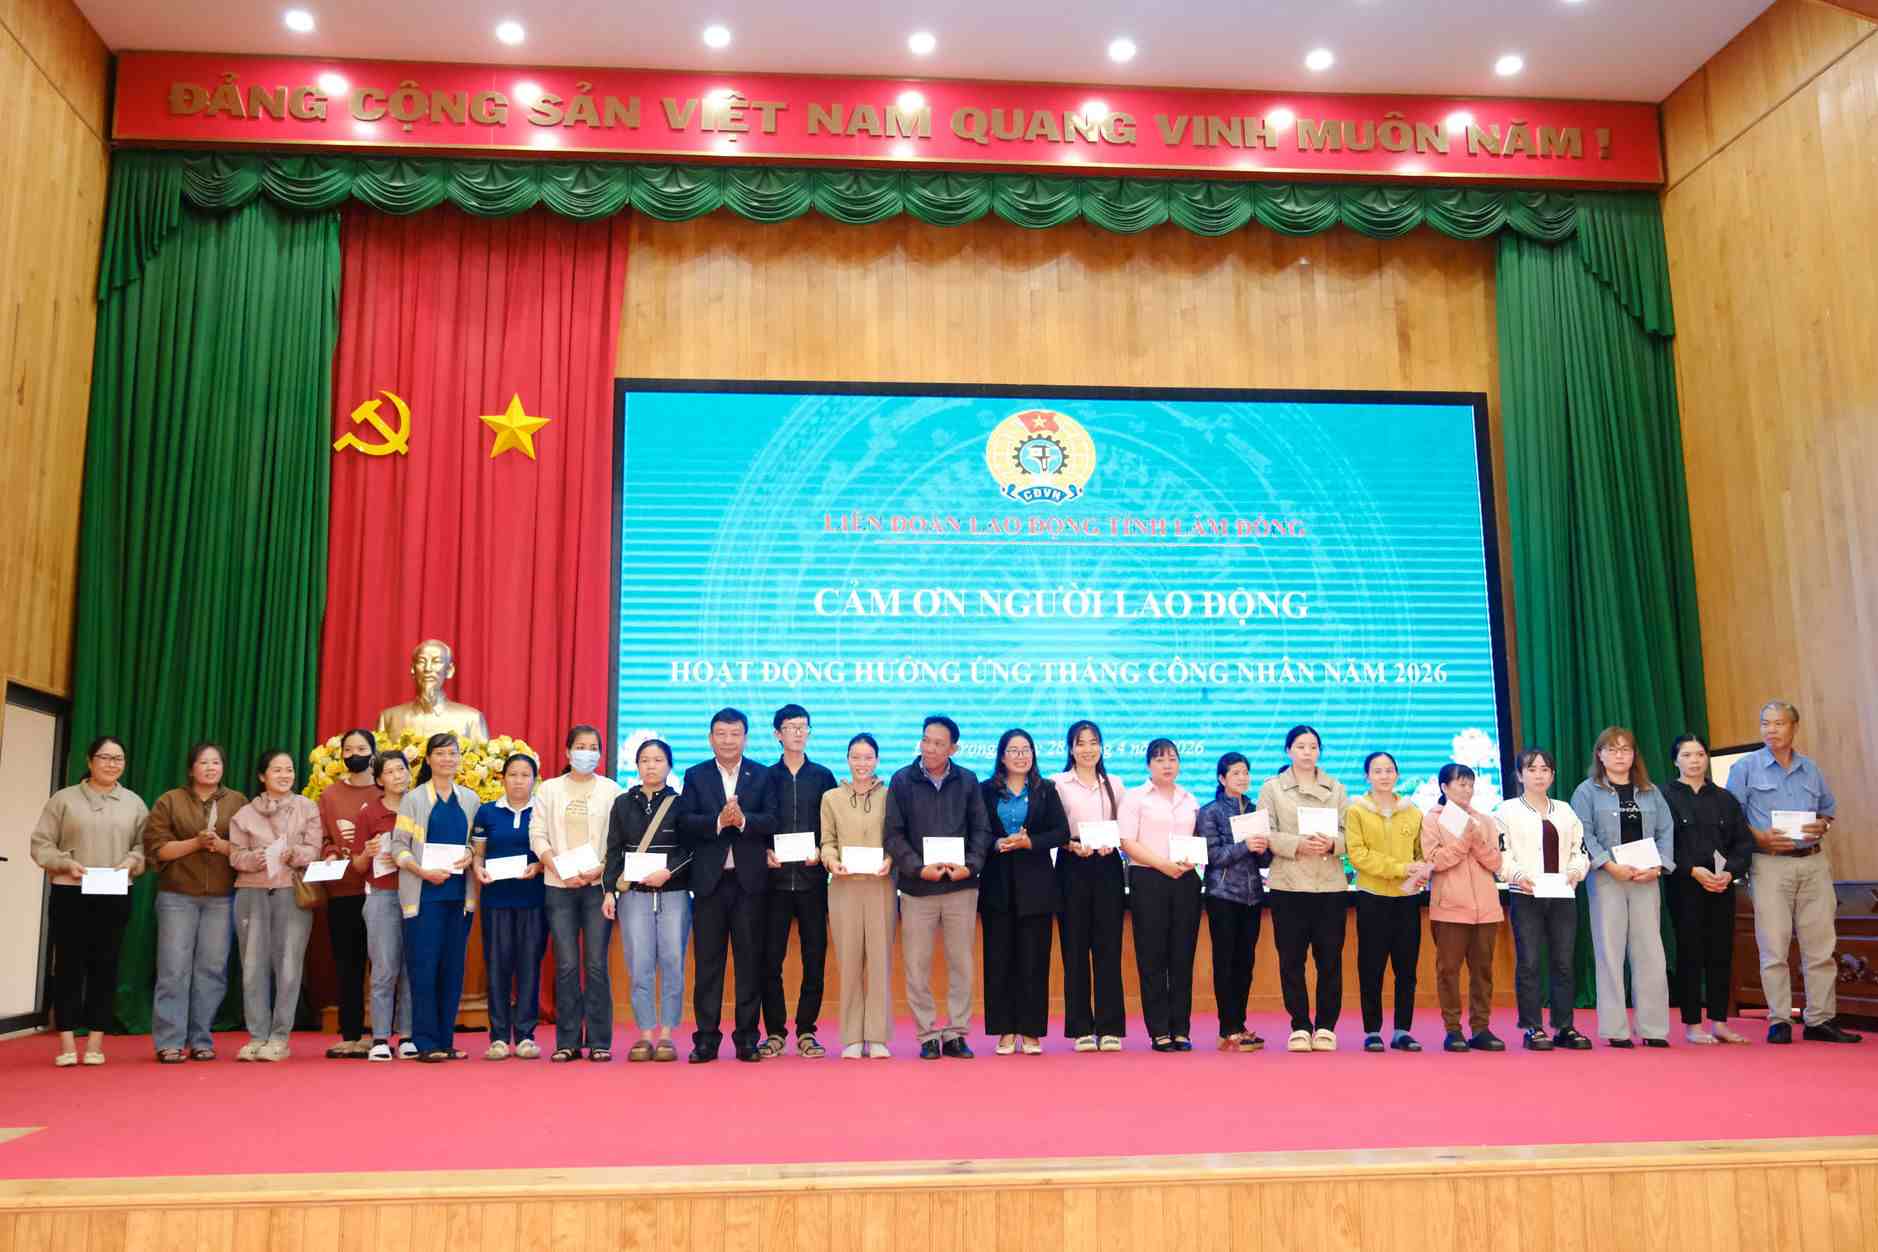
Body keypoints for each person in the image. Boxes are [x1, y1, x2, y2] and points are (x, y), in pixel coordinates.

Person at [1726, 701, 1862, 1044]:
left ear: (1793, 727)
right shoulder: (1746, 768)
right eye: (1765, 723)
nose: (1771, 730)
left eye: (1778, 723)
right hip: (1769, 863)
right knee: (1774, 945)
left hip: (1813, 863)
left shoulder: (1811, 769)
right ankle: (1779, 1020)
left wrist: (1821, 826)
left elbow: (1827, 812)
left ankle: (1820, 1019)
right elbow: (1729, 819)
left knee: (1820, 945)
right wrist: (1759, 836)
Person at [30, 735, 147, 1067]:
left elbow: (144, 847)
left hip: (114, 892)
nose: (112, 764)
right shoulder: (64, 799)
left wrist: (130, 863)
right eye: (105, 757)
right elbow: (41, 844)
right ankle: (66, 1041)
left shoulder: (134, 802)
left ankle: (96, 1042)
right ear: (89, 761)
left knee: (105, 966)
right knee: (67, 965)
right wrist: (66, 863)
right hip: (71, 890)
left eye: (118, 759)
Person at [882, 715, 993, 1060]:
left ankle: (957, 1033)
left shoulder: (968, 780)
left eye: (938, 743)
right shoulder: (902, 780)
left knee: (961, 963)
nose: (929, 748)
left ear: (953, 748)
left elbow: (982, 831)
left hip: (961, 887)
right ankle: (928, 1034)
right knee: (917, 965)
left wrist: (971, 866)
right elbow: (893, 835)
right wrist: (917, 868)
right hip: (918, 889)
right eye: (926, 740)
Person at [677, 707, 777, 1063]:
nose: (728, 740)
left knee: (749, 963)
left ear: (745, 738)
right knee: (708, 964)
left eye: (735, 734)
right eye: (721, 733)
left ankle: (747, 1038)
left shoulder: (762, 775)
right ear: (710, 738)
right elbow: (686, 822)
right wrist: (718, 821)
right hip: (709, 884)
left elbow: (773, 819)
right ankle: (706, 1039)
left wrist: (745, 820)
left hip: (749, 883)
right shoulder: (695, 775)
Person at [1570, 726, 1675, 1048]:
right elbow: (1582, 834)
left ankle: (1654, 1028)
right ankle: (1616, 1029)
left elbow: (1666, 830)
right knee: (1609, 952)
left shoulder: (1650, 791)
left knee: (1651, 953)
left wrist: (1659, 865)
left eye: (1626, 749)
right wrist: (1608, 864)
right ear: (1599, 755)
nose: (1619, 755)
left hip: (1645, 878)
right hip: (1607, 879)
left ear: (1634, 755)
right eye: (1612, 749)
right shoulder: (1587, 791)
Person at [530, 725, 625, 1062]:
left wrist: (600, 869)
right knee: (567, 965)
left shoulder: (612, 790)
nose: (587, 752)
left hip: (597, 887)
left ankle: (600, 1040)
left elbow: (618, 841)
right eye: (580, 746)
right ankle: (567, 1040)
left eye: (593, 747)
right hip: (559, 887)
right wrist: (555, 866)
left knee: (597, 965)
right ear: (568, 752)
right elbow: (538, 834)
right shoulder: (549, 790)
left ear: (600, 754)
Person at [145, 742, 240, 1063]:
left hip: (222, 899)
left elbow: (246, 850)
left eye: (216, 762)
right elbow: (158, 850)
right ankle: (169, 1040)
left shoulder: (238, 802)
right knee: (173, 969)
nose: (211, 767)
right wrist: (195, 843)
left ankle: (201, 1038)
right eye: (203, 762)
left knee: (212, 970)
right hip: (177, 896)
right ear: (191, 769)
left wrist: (222, 845)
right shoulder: (169, 801)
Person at [391, 733, 483, 1063]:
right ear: (428, 760)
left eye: (453, 753)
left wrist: (471, 853)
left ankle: (445, 1040)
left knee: (452, 970)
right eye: (440, 753)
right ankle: (425, 1041)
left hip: (459, 899)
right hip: (423, 897)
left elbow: (478, 844)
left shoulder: (470, 799)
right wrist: (422, 871)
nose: (447, 759)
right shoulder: (413, 800)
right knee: (424, 968)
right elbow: (398, 847)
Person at [227, 749, 322, 1062]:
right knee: (252, 967)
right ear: (262, 776)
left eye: (289, 769)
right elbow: (234, 856)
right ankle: (257, 1035)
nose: (285, 775)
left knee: (289, 967)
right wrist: (253, 859)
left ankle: (280, 1037)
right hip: (251, 893)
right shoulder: (244, 813)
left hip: (290, 892)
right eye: (277, 770)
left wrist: (295, 854)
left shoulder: (307, 807)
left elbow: (314, 848)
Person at [1495, 748, 1592, 1051]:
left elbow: (1581, 850)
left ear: (1553, 774)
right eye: (1532, 769)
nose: (1539, 774)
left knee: (1564, 961)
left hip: (1562, 894)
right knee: (1530, 961)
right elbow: (1501, 853)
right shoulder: (1505, 810)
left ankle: (1565, 1026)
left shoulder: (1565, 810)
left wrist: (1576, 871)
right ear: (1520, 775)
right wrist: (1518, 874)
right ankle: (1532, 1027)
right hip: (1526, 894)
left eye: (1545, 769)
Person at [979, 729, 1069, 1055]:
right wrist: (995, 842)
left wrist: (1032, 842)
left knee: (1034, 959)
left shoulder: (1046, 790)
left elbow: (1061, 831)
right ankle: (1004, 1030)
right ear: (1002, 756)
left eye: (1026, 749)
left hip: (1036, 885)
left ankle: (1031, 1031)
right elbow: (977, 830)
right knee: (999, 959)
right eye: (1014, 750)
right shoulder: (985, 790)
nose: (1021, 755)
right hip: (997, 883)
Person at [1260, 725, 1349, 1053]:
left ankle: (1326, 1026)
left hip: (1330, 886)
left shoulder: (1337, 788)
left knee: (1330, 960)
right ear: (1288, 751)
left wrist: (1332, 844)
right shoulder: (1272, 788)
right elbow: (1265, 831)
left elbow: (1350, 834)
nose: (1307, 752)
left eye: (1313, 747)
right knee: (1291, 960)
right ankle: (1299, 1024)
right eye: (1300, 747)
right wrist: (1298, 845)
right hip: (1288, 885)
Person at [1661, 734, 1755, 1045]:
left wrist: (1730, 872)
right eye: (1686, 755)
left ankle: (1719, 1021)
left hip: (1721, 885)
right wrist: (1691, 870)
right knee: (1690, 953)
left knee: (1720, 953)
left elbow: (1743, 843)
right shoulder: (1665, 797)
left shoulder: (1725, 798)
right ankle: (1692, 1024)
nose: (1694, 760)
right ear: (1676, 760)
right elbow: (1664, 844)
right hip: (1684, 886)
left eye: (1700, 754)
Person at [604, 738, 691, 1062]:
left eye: (657, 760)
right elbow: (613, 851)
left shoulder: (682, 804)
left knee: (672, 962)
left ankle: (667, 1034)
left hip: (673, 893)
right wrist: (609, 891)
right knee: (639, 964)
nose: (651, 765)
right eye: (645, 760)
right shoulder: (623, 803)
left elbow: (690, 849)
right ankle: (644, 1034)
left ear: (669, 766)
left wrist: (668, 871)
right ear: (636, 765)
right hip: (635, 896)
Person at [760, 703, 838, 1059]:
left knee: (814, 959)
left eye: (803, 726)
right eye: (790, 726)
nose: (798, 732)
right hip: (773, 885)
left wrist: (823, 850)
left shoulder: (823, 777)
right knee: (769, 961)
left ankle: (807, 1030)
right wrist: (764, 853)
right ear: (777, 733)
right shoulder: (763, 778)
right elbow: (757, 825)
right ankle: (775, 1032)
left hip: (811, 881)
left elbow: (833, 826)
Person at [1120, 739, 1204, 1053]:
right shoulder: (1135, 798)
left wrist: (1189, 862)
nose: (1167, 765)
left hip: (1185, 881)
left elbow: (1196, 840)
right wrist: (1162, 865)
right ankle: (1159, 1030)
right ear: (1148, 765)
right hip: (1148, 878)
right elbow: (1127, 842)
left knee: (1182, 957)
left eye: (1172, 759)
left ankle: (1181, 1028)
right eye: (1159, 760)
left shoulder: (1189, 799)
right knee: (1152, 956)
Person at [1343, 751, 1426, 1053]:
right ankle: (1372, 1030)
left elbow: (1421, 852)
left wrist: (1421, 869)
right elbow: (1358, 856)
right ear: (1367, 776)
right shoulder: (1356, 811)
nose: (1384, 776)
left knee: (1407, 968)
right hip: (1372, 898)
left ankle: (1403, 1030)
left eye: (1389, 770)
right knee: (1371, 966)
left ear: (1397, 775)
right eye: (1377, 771)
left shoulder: (1413, 811)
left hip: (1406, 899)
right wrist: (1401, 868)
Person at [820, 733, 896, 1059]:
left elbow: (897, 838)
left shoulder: (891, 796)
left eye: (868, 757)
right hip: (844, 887)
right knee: (849, 960)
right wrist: (830, 860)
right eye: (856, 756)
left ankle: (877, 1035)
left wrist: (891, 859)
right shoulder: (831, 798)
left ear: (877, 760)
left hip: (880, 886)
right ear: (847, 759)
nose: (862, 763)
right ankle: (852, 1035)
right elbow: (827, 840)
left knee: (879, 961)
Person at [1054, 720, 1127, 1052]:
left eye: (1093, 742)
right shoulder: (1057, 784)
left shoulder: (1115, 783)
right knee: (1075, 949)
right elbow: (1054, 829)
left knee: (1108, 949)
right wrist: (1070, 844)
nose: (1087, 749)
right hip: (1072, 865)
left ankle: (1110, 1027)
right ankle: (1081, 1027)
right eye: (1080, 743)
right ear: (1070, 748)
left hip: (1108, 866)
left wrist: (1114, 844)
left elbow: (1124, 829)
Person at [1423, 764, 1505, 1053]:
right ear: (1444, 787)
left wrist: (1476, 841)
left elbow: (1496, 862)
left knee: (1482, 971)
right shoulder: (1432, 820)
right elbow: (1434, 860)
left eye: (1470, 785)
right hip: (1450, 907)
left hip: (1486, 907)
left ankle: (1481, 1028)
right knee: (1449, 970)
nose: (1467, 790)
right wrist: (1462, 844)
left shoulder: (1484, 820)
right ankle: (1453, 1030)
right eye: (1460, 784)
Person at [472, 753, 547, 1060]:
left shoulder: (541, 812)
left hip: (534, 900)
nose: (519, 780)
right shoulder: (487, 812)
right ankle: (499, 1036)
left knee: (529, 967)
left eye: (525, 775)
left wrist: (539, 867)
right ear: (502, 778)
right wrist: (478, 868)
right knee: (497, 968)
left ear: (534, 780)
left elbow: (549, 851)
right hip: (496, 901)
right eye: (513, 774)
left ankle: (526, 1035)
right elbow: (478, 853)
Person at [1196, 751, 1272, 1052]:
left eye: (1245, 773)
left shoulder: (1255, 810)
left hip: (1253, 896)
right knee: (1225, 962)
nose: (1242, 778)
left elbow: (1264, 858)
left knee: (1246, 963)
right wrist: (1244, 846)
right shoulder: (1210, 812)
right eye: (1236, 773)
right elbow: (1212, 857)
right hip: (1222, 895)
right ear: (1222, 778)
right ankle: (1227, 1027)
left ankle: (1239, 1024)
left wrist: (1264, 847)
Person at [316, 728, 382, 1058]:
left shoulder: (388, 791)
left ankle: (382, 1033)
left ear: (373, 753)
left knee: (384, 965)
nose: (353, 753)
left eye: (361, 747)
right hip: (343, 889)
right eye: (348, 748)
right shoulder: (329, 796)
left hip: (383, 890)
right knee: (348, 963)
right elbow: (324, 838)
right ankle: (351, 1032)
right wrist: (328, 852)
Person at [357, 750, 415, 1060]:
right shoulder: (369, 813)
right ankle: (380, 1037)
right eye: (390, 771)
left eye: (401, 769)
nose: (398, 776)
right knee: (383, 968)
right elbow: (355, 865)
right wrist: (367, 852)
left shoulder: (420, 806)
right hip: (382, 895)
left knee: (411, 967)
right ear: (379, 779)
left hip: (416, 893)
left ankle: (406, 1035)